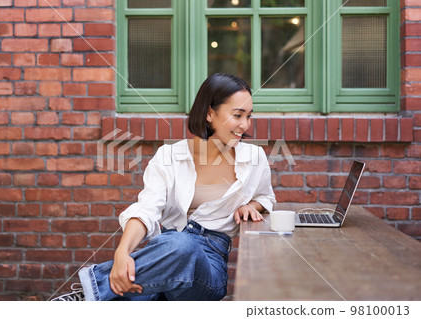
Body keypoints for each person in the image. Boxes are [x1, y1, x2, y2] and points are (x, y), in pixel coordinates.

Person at [51, 73, 276, 301]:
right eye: (238, 115)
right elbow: (147, 209)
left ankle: (91, 293)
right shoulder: (169, 156)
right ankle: (95, 296)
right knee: (172, 248)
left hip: (208, 268)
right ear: (209, 113)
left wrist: (254, 205)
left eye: (249, 116)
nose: (245, 125)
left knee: (182, 245)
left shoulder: (254, 157)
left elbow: (266, 197)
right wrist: (122, 252)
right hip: (165, 255)